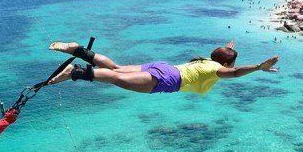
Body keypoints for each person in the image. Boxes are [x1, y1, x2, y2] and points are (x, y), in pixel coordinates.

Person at [47, 41, 279, 94]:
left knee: (116, 69)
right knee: (114, 79)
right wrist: (259, 67)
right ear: (226, 63)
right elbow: (236, 72)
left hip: (163, 66)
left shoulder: (204, 61)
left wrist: (228, 47)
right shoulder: (215, 69)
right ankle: (75, 72)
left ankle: (78, 50)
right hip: (169, 81)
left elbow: (224, 58)